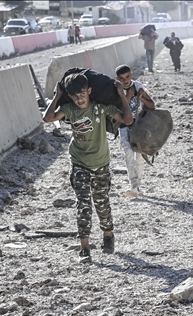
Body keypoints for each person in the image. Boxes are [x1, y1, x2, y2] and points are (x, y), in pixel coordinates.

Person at [42, 73, 133, 263]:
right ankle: (85, 248)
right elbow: (48, 118)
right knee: (83, 204)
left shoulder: (101, 108)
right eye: (74, 96)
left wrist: (121, 93)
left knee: (102, 203)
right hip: (79, 163)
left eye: (82, 94)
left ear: (89, 91)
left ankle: (108, 235)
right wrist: (58, 96)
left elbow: (127, 120)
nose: (79, 98)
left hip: (101, 164)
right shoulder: (69, 109)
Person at [114, 64, 156, 198]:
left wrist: (140, 96)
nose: (125, 81)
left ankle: (137, 184)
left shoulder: (138, 86)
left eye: (127, 77)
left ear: (131, 75)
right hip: (123, 126)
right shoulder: (116, 90)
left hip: (138, 125)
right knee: (127, 152)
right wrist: (129, 95)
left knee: (140, 155)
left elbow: (152, 105)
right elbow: (118, 109)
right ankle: (133, 184)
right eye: (122, 78)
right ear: (117, 79)